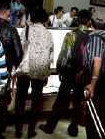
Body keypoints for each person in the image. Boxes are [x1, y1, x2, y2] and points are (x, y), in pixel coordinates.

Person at [39, 9, 91, 137]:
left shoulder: (71, 35)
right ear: (89, 21)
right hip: (84, 74)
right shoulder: (93, 36)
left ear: (77, 20)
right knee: (78, 101)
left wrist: (59, 69)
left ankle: (50, 127)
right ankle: (73, 129)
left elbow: (64, 55)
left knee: (61, 101)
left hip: (69, 73)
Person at [15, 7, 54, 138]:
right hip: (40, 70)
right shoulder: (48, 34)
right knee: (36, 101)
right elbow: (50, 55)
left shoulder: (26, 30)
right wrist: (47, 73)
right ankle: (31, 130)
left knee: (20, 100)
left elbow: (19, 50)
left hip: (25, 69)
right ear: (44, 18)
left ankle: (18, 130)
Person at [0, 3, 23, 138]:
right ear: (7, 13)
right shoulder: (11, 29)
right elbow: (19, 53)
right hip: (4, 70)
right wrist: (13, 65)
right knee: (1, 101)